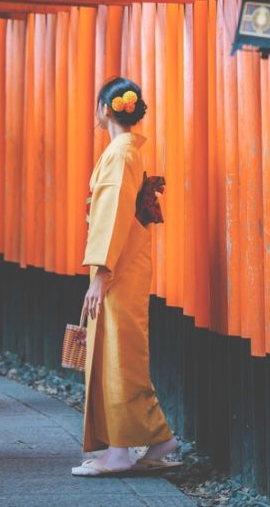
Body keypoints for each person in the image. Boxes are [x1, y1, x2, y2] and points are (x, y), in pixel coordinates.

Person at [71, 76, 181, 476]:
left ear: (105, 110)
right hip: (126, 262)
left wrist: (101, 273)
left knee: (117, 354)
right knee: (124, 351)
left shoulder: (119, 155)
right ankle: (157, 437)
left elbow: (113, 215)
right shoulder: (127, 150)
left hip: (118, 267)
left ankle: (119, 451)